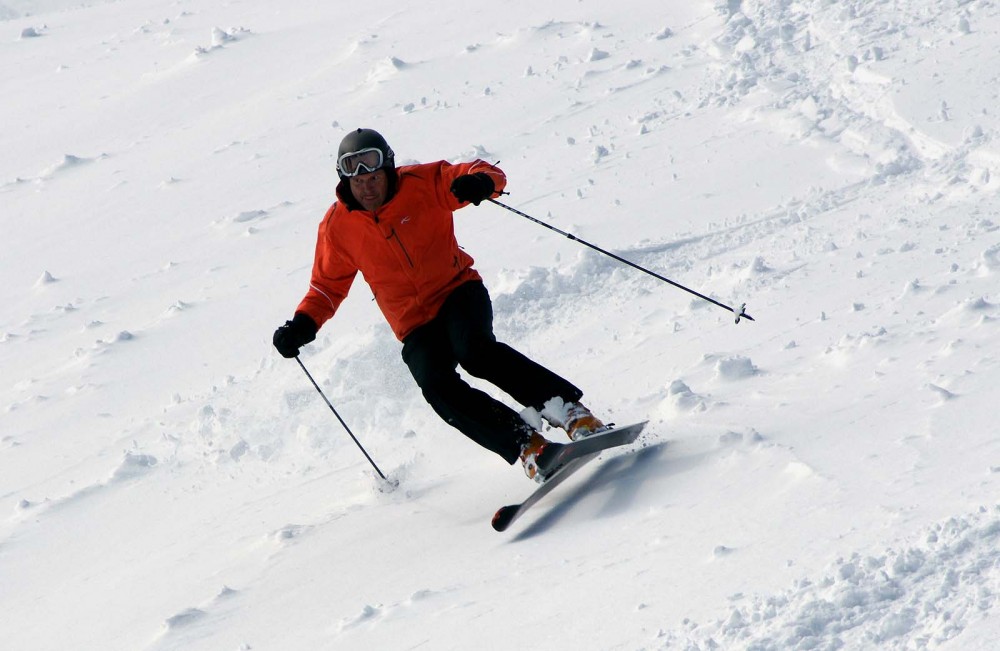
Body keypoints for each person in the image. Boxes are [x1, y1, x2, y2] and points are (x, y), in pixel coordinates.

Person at [273, 128, 605, 481]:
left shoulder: (422, 182)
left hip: (457, 291)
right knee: (436, 385)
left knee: (475, 352)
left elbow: (483, 171)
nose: (367, 187)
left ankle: (570, 412)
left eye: (373, 178)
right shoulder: (338, 226)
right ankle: (528, 446)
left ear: (388, 171)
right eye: (358, 182)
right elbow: (326, 286)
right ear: (345, 183)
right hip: (414, 324)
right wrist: (303, 324)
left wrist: (479, 183)